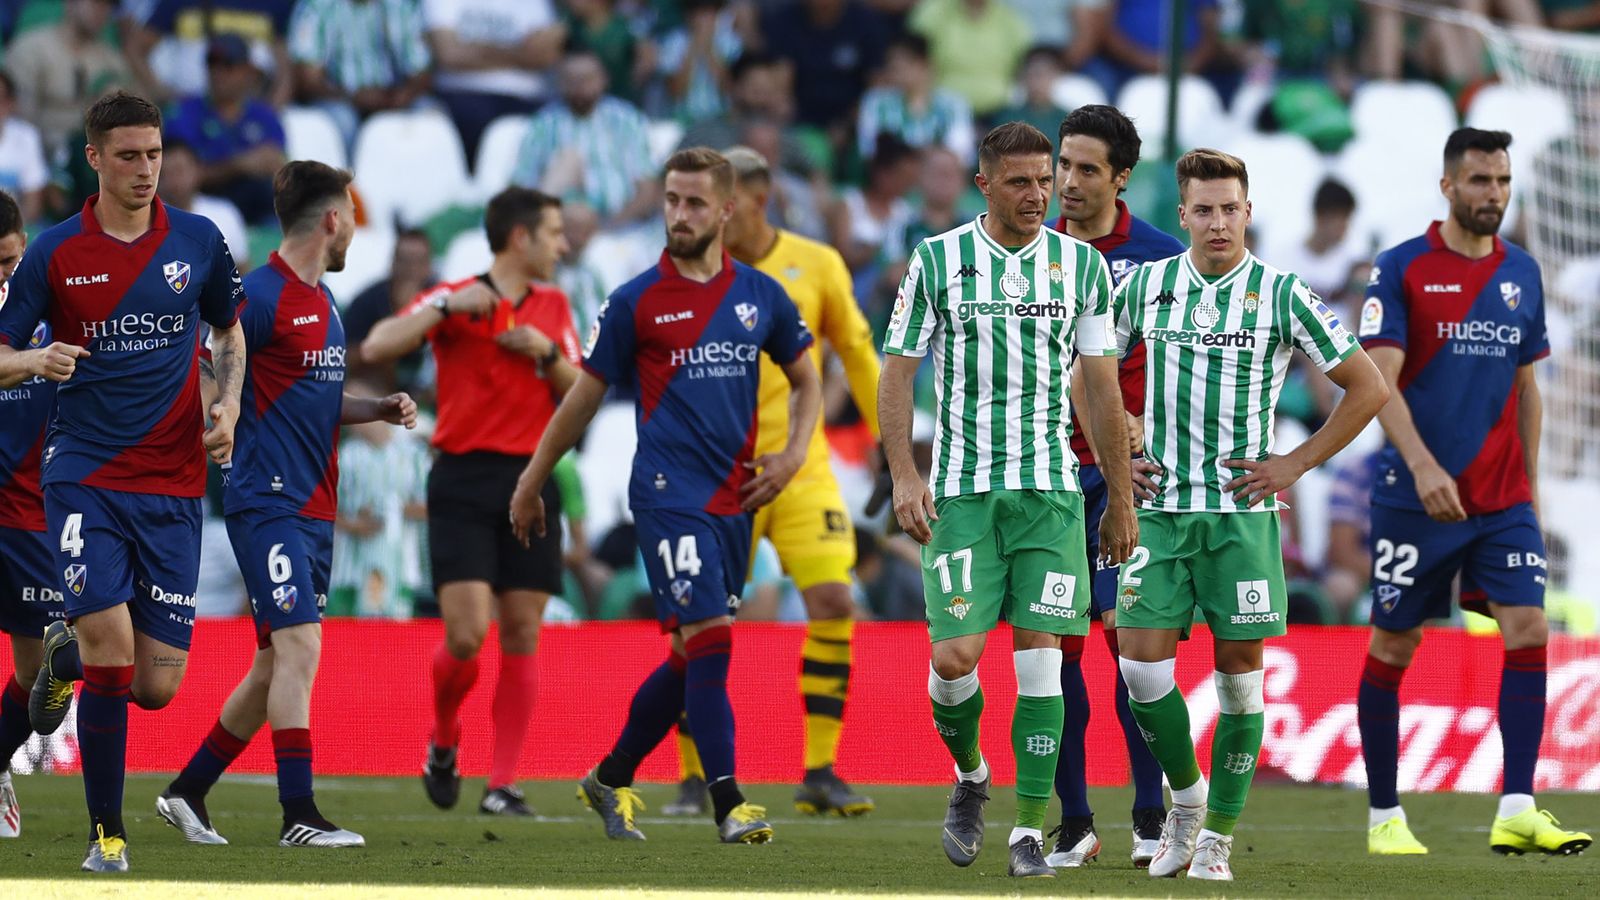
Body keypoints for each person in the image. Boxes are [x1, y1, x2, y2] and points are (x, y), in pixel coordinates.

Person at [508, 146, 822, 845]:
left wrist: (794, 453)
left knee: (689, 656)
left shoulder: (761, 296)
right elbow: (582, 400)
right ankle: (728, 801)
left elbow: (807, 379)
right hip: (666, 493)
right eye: (672, 201)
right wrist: (532, 480)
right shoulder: (635, 301)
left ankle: (610, 776)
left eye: (695, 203)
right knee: (711, 637)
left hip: (735, 498)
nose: (679, 215)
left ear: (727, 210)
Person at [1110, 148, 1388, 882]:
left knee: (1239, 681)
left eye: (1229, 209)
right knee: (1140, 671)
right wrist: (1116, 455)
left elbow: (1368, 387)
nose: (1218, 222)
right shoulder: (1146, 286)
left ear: (1248, 212)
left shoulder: (1282, 293)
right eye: (1204, 209)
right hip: (1160, 509)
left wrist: (1294, 464)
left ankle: (1218, 840)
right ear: (1182, 215)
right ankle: (1188, 801)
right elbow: (1087, 369)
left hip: (1242, 516)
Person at [879, 121, 1139, 879]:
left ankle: (1029, 829)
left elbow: (1101, 387)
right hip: (962, 494)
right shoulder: (938, 260)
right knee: (954, 658)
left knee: (1042, 662)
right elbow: (898, 371)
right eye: (1020, 182)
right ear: (984, 184)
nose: (1038, 194)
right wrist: (904, 476)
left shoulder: (1082, 266)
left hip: (1051, 496)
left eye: (1044, 180)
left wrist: (1120, 497)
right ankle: (971, 774)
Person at [0, 90, 248, 873]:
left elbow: (228, 331)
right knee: (111, 656)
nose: (146, 169)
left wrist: (229, 403)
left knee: (156, 686)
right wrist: (34, 358)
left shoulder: (200, 242)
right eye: (129, 155)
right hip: (84, 474)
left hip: (174, 484)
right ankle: (107, 835)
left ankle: (65, 654)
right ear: (95, 159)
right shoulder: (54, 252)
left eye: (155, 153)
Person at [153, 161, 417, 849]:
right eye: (350, 215)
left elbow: (315, 398)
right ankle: (299, 812)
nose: (353, 228)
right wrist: (218, 418)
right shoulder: (260, 295)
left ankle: (187, 791)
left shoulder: (325, 302)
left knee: (274, 665)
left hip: (314, 509)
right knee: (301, 646)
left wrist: (376, 408)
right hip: (267, 502)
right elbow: (207, 360)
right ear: (332, 219)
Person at [1355, 128, 1593, 858]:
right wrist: (1424, 467)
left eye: (1503, 180)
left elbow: (1527, 387)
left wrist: (1532, 490)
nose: (1495, 193)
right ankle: (1385, 815)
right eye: (1481, 180)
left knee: (1529, 629)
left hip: (1502, 498)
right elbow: (1378, 381)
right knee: (1395, 643)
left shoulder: (1522, 270)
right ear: (1449, 186)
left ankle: (1517, 806)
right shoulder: (1402, 267)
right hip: (1415, 496)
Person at [660, 146, 882, 818]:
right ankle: (693, 777)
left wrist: (890, 445)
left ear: (754, 199)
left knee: (835, 600)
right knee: (699, 622)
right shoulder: (686, 273)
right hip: (715, 472)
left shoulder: (817, 264)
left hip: (799, 465)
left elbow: (857, 353)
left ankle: (820, 769)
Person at [361, 187, 581, 817]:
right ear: (520, 237)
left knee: (522, 631)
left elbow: (583, 388)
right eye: (554, 232)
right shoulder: (453, 296)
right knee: (465, 634)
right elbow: (377, 345)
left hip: (531, 478)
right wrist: (443, 308)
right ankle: (444, 736)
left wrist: (546, 354)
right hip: (461, 478)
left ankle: (502, 784)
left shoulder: (554, 306)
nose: (563, 245)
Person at [1046, 104, 1186, 870]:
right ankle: (1075, 823)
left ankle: (1149, 816)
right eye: (1063, 164)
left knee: (1129, 650)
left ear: (1121, 178)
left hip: (1123, 480)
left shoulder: (1161, 260)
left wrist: (1146, 427)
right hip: (1044, 479)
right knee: (1053, 654)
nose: (1068, 181)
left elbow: (1184, 365)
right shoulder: (1027, 254)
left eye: (1086, 169)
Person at [0, 189, 61, 839]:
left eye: (9, 261)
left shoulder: (50, 308)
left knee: (35, 672)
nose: (3, 273)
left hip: (29, 515)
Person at [510, 50, 657, 227]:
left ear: (604, 80)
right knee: (568, 160)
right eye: (571, 80)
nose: (579, 87)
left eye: (587, 79)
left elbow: (647, 188)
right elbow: (522, 181)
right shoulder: (543, 124)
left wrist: (608, 228)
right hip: (561, 222)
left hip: (618, 224)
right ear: (559, 83)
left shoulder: (627, 120)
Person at [162, 34, 288, 225]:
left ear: (248, 71)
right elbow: (175, 177)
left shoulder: (265, 117)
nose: (218, 72)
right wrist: (238, 165)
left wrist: (274, 166)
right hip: (200, 205)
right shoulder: (184, 112)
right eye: (212, 63)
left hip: (259, 207)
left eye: (228, 64)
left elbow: (279, 169)